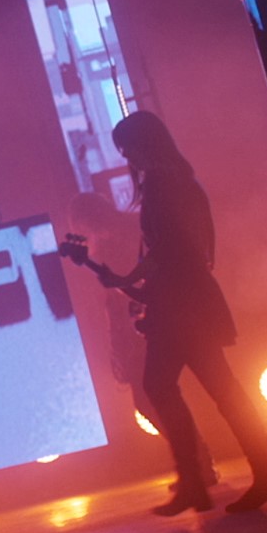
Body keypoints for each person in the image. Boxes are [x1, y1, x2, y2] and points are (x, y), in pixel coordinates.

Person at [95, 111, 267, 514]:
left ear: (145, 144)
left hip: (178, 306)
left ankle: (198, 483)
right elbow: (185, 248)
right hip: (191, 301)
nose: (126, 156)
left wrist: (127, 278)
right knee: (222, 391)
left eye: (128, 147)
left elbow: (167, 249)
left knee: (164, 386)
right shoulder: (180, 181)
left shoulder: (162, 185)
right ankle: (260, 474)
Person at [66, 191, 217, 489]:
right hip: (147, 331)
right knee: (156, 400)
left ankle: (197, 465)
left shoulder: (128, 235)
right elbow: (114, 300)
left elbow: (128, 288)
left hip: (156, 327)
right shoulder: (115, 239)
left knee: (154, 399)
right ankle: (197, 464)